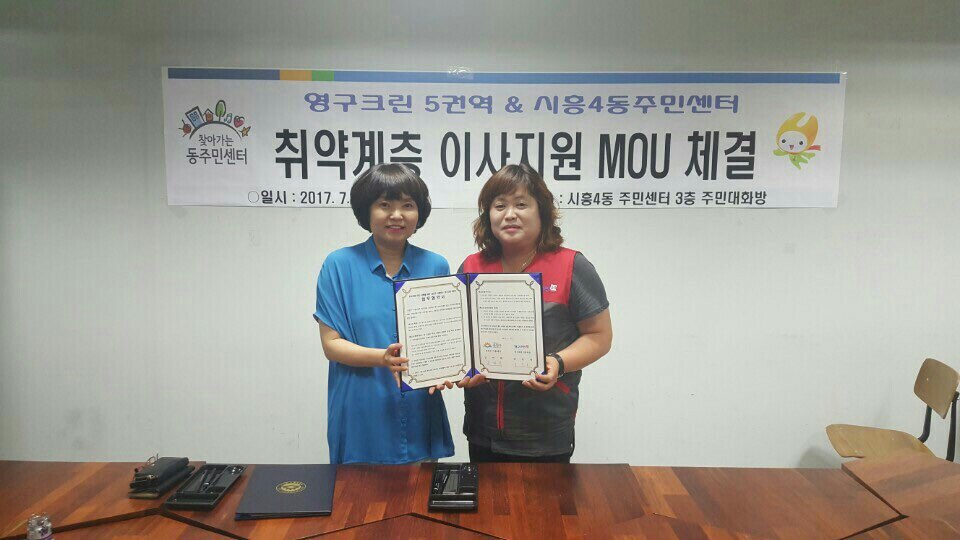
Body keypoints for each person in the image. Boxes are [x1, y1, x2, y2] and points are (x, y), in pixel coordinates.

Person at [457, 163, 613, 463]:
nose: (509, 214)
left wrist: (558, 362)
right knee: (486, 495)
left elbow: (599, 336)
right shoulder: (472, 266)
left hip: (546, 430)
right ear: (488, 215)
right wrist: (463, 367)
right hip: (482, 428)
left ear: (542, 211)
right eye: (499, 206)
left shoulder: (571, 265)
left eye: (521, 204)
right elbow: (461, 335)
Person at [313, 163, 454, 464]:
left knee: (420, 492)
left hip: (419, 410)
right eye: (385, 205)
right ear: (367, 210)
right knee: (358, 494)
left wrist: (449, 368)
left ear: (419, 212)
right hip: (360, 413)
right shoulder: (339, 265)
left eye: (407, 205)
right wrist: (382, 358)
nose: (397, 215)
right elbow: (331, 345)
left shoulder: (436, 266)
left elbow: (443, 341)